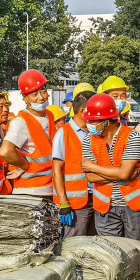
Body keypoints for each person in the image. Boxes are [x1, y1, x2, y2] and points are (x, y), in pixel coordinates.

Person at [82, 93, 140, 240]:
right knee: (110, 252)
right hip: (105, 206)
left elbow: (122, 173)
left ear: (108, 120)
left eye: (94, 121)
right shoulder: (88, 140)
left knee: (135, 251)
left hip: (134, 204)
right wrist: (123, 174)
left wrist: (93, 167)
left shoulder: (131, 136)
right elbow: (90, 177)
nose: (90, 125)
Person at [1, 70, 55, 199]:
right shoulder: (21, 121)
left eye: (43, 91)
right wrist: (24, 165)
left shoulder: (49, 115)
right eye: (34, 94)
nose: (41, 97)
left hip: (50, 188)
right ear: (25, 98)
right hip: (30, 192)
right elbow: (5, 151)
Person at [53, 90, 96, 238]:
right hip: (75, 203)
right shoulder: (63, 133)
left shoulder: (94, 132)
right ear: (83, 111)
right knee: (73, 246)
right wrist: (63, 203)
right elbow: (56, 170)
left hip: (96, 199)